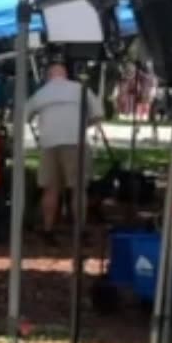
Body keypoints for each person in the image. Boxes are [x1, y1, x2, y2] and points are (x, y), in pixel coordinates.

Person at [26, 53, 103, 244]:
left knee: (50, 189)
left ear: (48, 76)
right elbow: (99, 114)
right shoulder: (80, 89)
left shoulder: (41, 93)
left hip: (49, 144)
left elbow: (24, 115)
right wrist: (82, 125)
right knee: (78, 189)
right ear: (66, 75)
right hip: (75, 142)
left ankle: (48, 229)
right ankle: (79, 230)